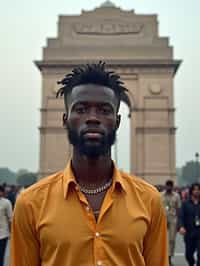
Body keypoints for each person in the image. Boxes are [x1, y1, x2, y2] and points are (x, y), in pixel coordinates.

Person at [11, 62, 168, 266]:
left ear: (117, 121)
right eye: (81, 109)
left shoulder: (149, 201)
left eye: (104, 110)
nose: (93, 118)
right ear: (65, 119)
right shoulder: (30, 204)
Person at [179, 183, 200, 266]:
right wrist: (181, 227)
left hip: (199, 233)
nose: (197, 191)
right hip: (189, 233)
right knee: (188, 255)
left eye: (198, 189)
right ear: (191, 191)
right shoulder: (185, 204)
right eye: (195, 189)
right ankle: (191, 263)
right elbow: (181, 216)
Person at [161, 180, 181, 265]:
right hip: (162, 220)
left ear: (172, 187)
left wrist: (179, 223)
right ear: (165, 186)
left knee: (172, 240)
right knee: (162, 240)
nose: (169, 187)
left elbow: (178, 209)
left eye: (170, 186)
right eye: (167, 185)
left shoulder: (176, 196)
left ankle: (169, 257)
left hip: (173, 220)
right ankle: (164, 257)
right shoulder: (160, 195)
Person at [0, 185, 12, 266]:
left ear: (2, 192)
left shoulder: (6, 202)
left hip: (2, 234)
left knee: (0, 255)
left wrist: (11, 232)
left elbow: (10, 218)